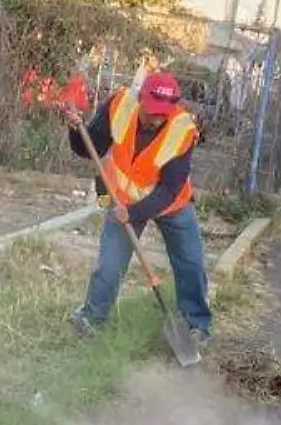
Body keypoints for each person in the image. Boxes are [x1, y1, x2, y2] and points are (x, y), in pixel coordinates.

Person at [65, 72, 212, 345]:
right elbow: (91, 148)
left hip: (171, 205)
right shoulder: (120, 105)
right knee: (109, 267)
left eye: (162, 114)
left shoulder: (183, 130)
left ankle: (196, 326)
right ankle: (90, 320)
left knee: (190, 263)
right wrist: (76, 129)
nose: (156, 118)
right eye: (152, 111)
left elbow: (169, 189)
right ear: (141, 98)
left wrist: (133, 214)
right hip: (121, 198)